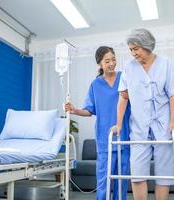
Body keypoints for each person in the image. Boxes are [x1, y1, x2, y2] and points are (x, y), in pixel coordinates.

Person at [113, 28, 174, 200]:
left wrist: (173, 121)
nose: (132, 53)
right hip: (138, 126)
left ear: (146, 46)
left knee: (164, 172)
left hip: (163, 125)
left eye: (135, 48)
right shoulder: (129, 67)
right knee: (137, 171)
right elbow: (123, 98)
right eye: (130, 49)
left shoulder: (166, 64)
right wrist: (119, 124)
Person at [65, 46, 130, 200]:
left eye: (113, 59)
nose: (112, 63)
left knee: (121, 182)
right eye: (107, 61)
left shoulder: (124, 78)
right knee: (103, 182)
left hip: (124, 136)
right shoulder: (96, 84)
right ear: (99, 64)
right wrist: (74, 110)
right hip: (104, 139)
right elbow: (89, 110)